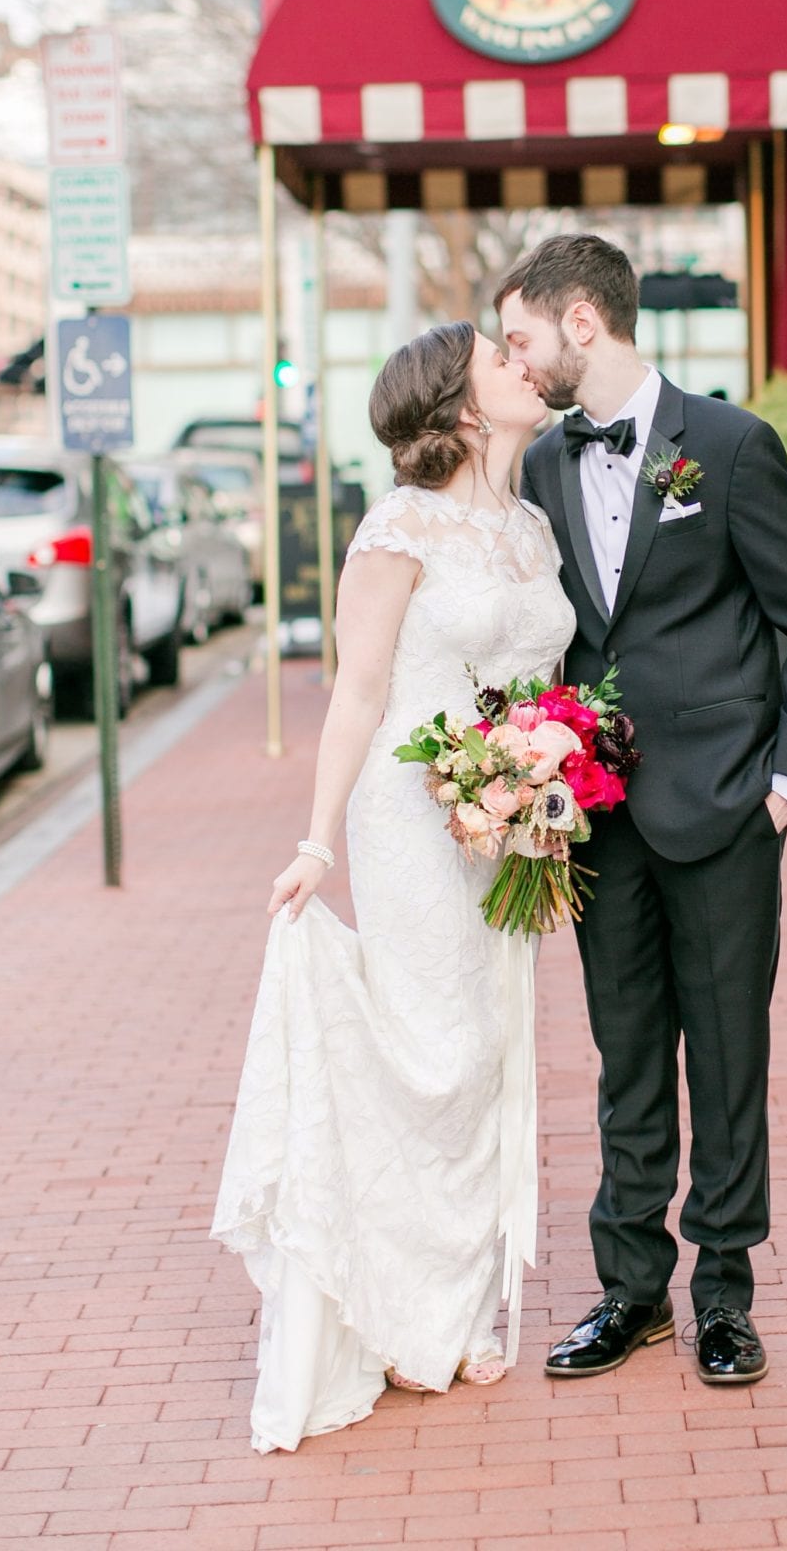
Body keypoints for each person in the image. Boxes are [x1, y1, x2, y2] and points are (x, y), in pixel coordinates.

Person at [497, 235, 787, 1386]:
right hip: (601, 818)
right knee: (628, 1054)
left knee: (730, 1054)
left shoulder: (733, 445)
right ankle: (630, 1290)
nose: (515, 360)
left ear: (583, 324)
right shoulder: (544, 468)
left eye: (521, 337)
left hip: (726, 808)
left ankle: (725, 1295)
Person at [211, 322, 574, 1453]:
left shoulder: (530, 526)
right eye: (499, 361)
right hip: (411, 817)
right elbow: (360, 697)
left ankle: (459, 1310)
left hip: (509, 820)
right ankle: (396, 1305)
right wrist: (316, 844)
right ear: (464, 409)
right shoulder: (398, 526)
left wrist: (545, 769)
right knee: (438, 1051)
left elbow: (547, 685)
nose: (523, 365)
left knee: (495, 1051)